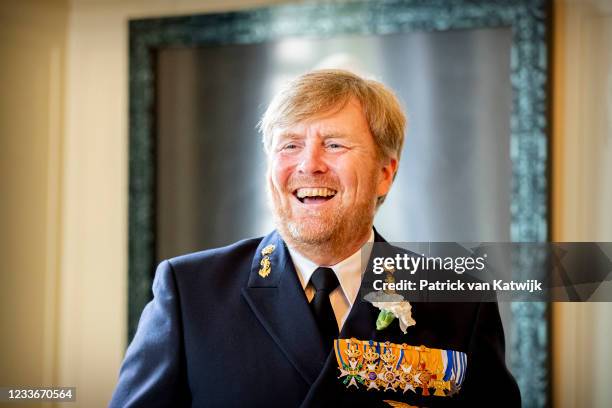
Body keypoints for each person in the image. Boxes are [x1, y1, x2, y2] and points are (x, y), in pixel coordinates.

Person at [110, 69, 520, 407]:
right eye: (289, 145)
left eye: (335, 144)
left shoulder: (459, 299)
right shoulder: (190, 291)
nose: (309, 165)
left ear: (385, 172)